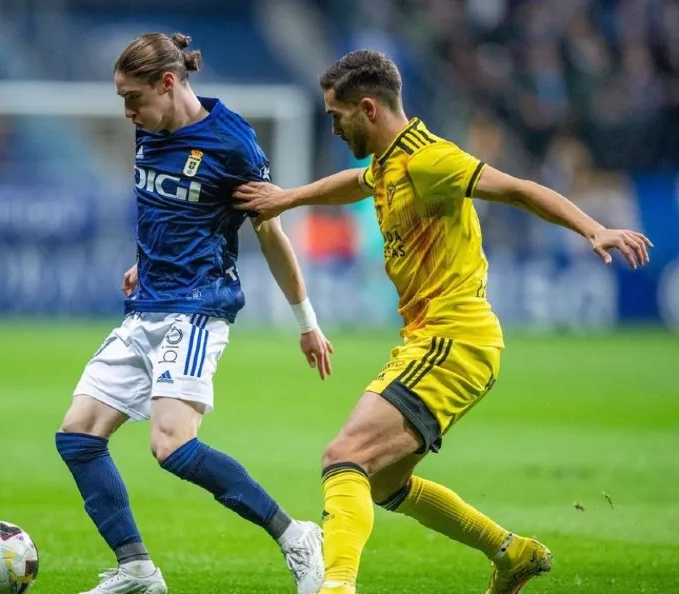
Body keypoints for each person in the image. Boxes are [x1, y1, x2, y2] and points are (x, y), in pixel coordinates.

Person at [233, 50, 653, 594]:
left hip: (454, 339)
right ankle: (512, 552)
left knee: (343, 457)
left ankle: (335, 586)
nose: (333, 127)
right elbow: (354, 183)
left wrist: (594, 228)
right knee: (383, 482)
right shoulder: (388, 163)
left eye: (337, 116)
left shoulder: (430, 160)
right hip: (435, 340)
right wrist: (289, 198)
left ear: (368, 108)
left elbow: (518, 189)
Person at [55, 33, 332, 594]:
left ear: (168, 82)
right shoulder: (147, 130)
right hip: (147, 304)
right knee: (77, 437)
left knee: (171, 445)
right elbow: (162, 206)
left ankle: (296, 536)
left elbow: (272, 235)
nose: (127, 111)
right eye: (121, 99)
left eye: (132, 97)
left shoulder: (232, 143)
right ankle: (137, 570)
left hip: (200, 307)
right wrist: (143, 260)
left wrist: (307, 322)